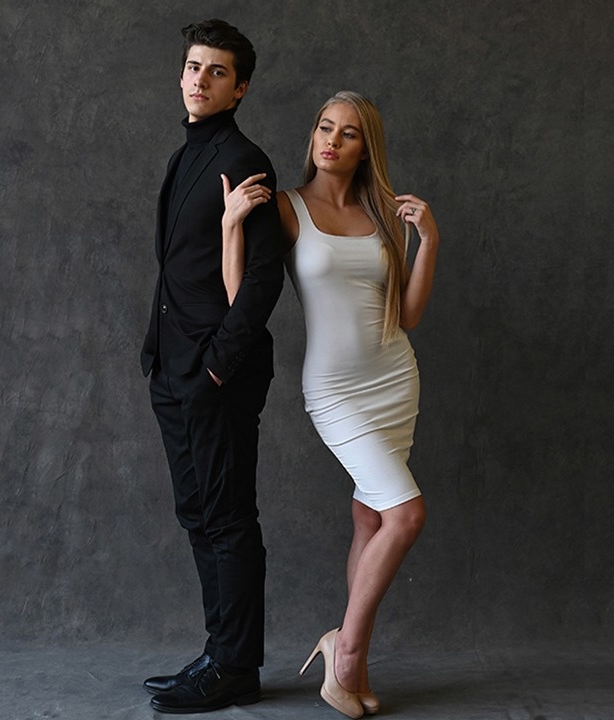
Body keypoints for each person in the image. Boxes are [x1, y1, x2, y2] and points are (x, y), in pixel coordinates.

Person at [221, 91, 438, 718]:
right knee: (406, 516)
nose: (332, 141)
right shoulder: (288, 208)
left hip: (395, 379)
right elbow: (243, 300)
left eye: (347, 134)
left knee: (372, 520)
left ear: (365, 148)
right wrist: (233, 223)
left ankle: (357, 664)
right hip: (336, 390)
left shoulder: (380, 212)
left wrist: (428, 240)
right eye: (324, 127)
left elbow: (411, 314)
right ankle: (343, 652)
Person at [139, 18, 286, 714]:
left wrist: (219, 369)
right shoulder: (185, 155)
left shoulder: (245, 159)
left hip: (213, 374)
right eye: (194, 67)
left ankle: (235, 668)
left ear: (240, 87)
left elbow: (262, 280)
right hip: (173, 370)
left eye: (216, 72)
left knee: (226, 517)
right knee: (199, 513)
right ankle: (220, 653)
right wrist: (166, 362)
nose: (200, 80)